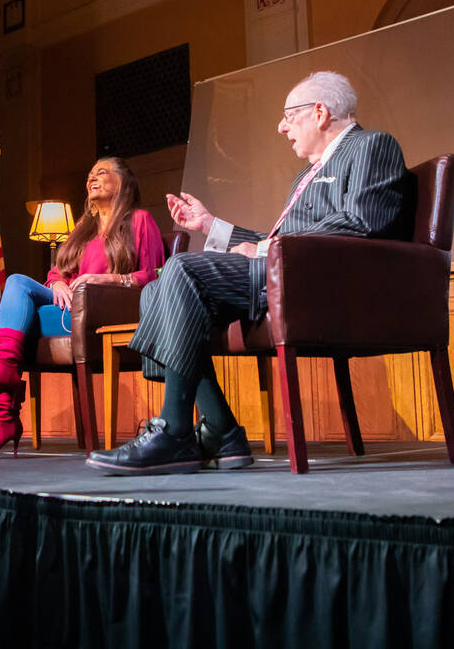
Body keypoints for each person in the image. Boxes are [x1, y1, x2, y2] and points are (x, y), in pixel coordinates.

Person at [85, 71, 410, 475]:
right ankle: (221, 430)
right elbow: (281, 238)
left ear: (321, 113)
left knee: (181, 270)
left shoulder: (371, 146)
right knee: (160, 288)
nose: (282, 126)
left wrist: (264, 248)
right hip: (282, 271)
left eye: (289, 115)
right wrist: (210, 226)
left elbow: (360, 223)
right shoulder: (304, 176)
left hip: (321, 283)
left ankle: (175, 431)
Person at [0, 157, 166, 458]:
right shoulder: (83, 226)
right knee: (16, 285)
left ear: (124, 183)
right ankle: (2, 405)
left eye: (103, 173)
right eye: (90, 174)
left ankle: (2, 414)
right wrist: (56, 284)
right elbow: (58, 272)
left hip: (101, 313)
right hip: (67, 311)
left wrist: (103, 278)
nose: (92, 178)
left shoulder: (140, 220)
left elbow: (154, 275)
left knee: (13, 315)